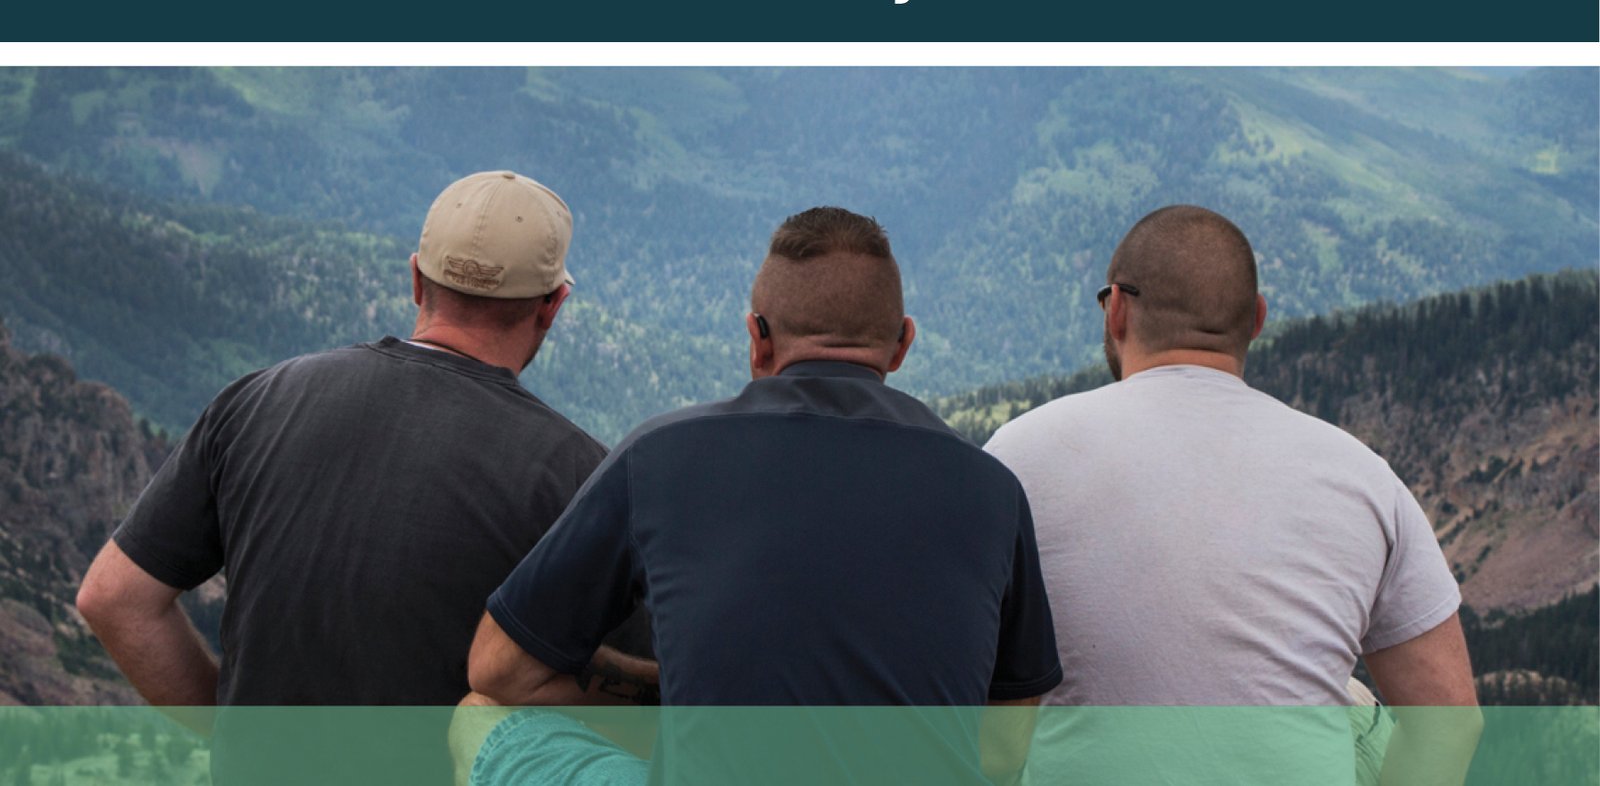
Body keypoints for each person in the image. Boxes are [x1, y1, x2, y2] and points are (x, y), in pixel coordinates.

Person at [76, 170, 649, 782]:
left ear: (415, 279)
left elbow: (114, 600)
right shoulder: (581, 475)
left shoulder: (257, 401)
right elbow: (666, 687)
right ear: (553, 307)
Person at [458, 207, 1062, 786]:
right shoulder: (992, 489)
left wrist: (671, 690)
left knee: (479, 716)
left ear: (757, 340)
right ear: (902, 345)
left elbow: (502, 670)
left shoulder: (661, 456)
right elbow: (1004, 751)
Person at [984, 205, 1481, 786]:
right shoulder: (1361, 475)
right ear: (1257, 320)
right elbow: (1450, 723)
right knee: (1350, 704)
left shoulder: (1017, 456)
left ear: (1116, 310)